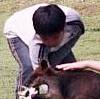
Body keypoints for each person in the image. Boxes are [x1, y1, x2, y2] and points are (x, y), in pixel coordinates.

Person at [4, 3, 84, 98]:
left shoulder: (75, 26)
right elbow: (41, 74)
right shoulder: (36, 43)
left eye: (55, 37)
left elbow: (67, 46)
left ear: (63, 29)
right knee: (29, 68)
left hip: (53, 30)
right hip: (16, 31)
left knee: (70, 68)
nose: (51, 43)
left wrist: (53, 66)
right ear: (39, 35)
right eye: (45, 38)